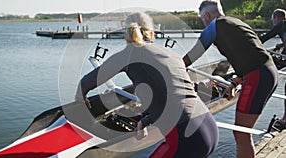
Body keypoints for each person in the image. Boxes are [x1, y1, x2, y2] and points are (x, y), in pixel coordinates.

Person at [76, 12, 218, 157]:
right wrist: (145, 121)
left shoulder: (129, 54)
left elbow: (88, 82)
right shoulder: (171, 54)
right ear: (152, 33)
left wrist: (79, 98)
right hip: (208, 126)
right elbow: (173, 94)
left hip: (186, 135)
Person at [183, 1, 278, 158]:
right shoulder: (237, 23)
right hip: (268, 72)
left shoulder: (214, 26)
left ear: (207, 15)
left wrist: (173, 67)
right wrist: (234, 83)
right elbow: (249, 54)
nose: (203, 22)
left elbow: (192, 56)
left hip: (257, 76)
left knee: (241, 134)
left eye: (202, 18)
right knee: (243, 132)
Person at [259, 8, 286, 131]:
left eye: (273, 18)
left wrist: (250, 44)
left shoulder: (281, 25)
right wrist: (282, 45)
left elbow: (265, 37)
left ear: (277, 18)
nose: (272, 21)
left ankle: (285, 119)